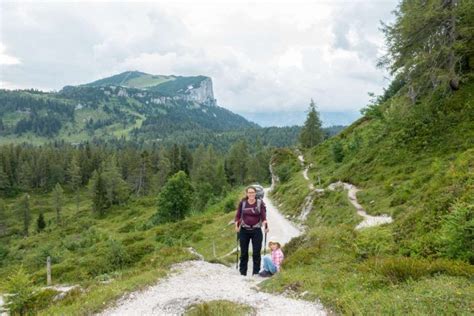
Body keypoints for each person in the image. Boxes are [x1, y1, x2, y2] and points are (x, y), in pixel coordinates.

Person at [235, 186, 269, 276]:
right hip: (244, 230)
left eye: (253, 192)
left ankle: (256, 273)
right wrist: (236, 225)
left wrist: (266, 226)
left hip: (256, 230)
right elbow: (238, 216)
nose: (251, 194)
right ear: (246, 194)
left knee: (256, 253)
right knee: (244, 252)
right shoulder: (243, 203)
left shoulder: (259, 203)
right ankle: (243, 273)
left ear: (255, 193)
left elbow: (263, 216)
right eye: (249, 192)